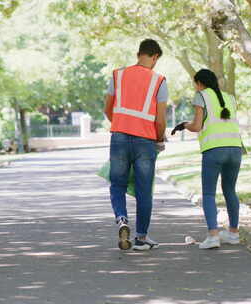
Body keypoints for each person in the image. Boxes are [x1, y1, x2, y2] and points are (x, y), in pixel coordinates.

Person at [104, 39, 168, 251]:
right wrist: (159, 139)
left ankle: (121, 218)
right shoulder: (159, 80)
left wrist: (122, 125)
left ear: (138, 53)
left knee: (117, 184)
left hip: (119, 137)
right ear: (155, 57)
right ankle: (141, 238)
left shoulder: (118, 75)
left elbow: (107, 109)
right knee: (143, 190)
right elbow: (160, 119)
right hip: (145, 140)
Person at [171, 69, 243, 249]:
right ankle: (233, 233)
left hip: (214, 150)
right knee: (230, 190)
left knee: (209, 194)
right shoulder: (230, 98)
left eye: (195, 83)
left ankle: (213, 236)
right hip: (235, 149)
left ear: (199, 83)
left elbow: (197, 126)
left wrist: (184, 125)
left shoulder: (201, 96)